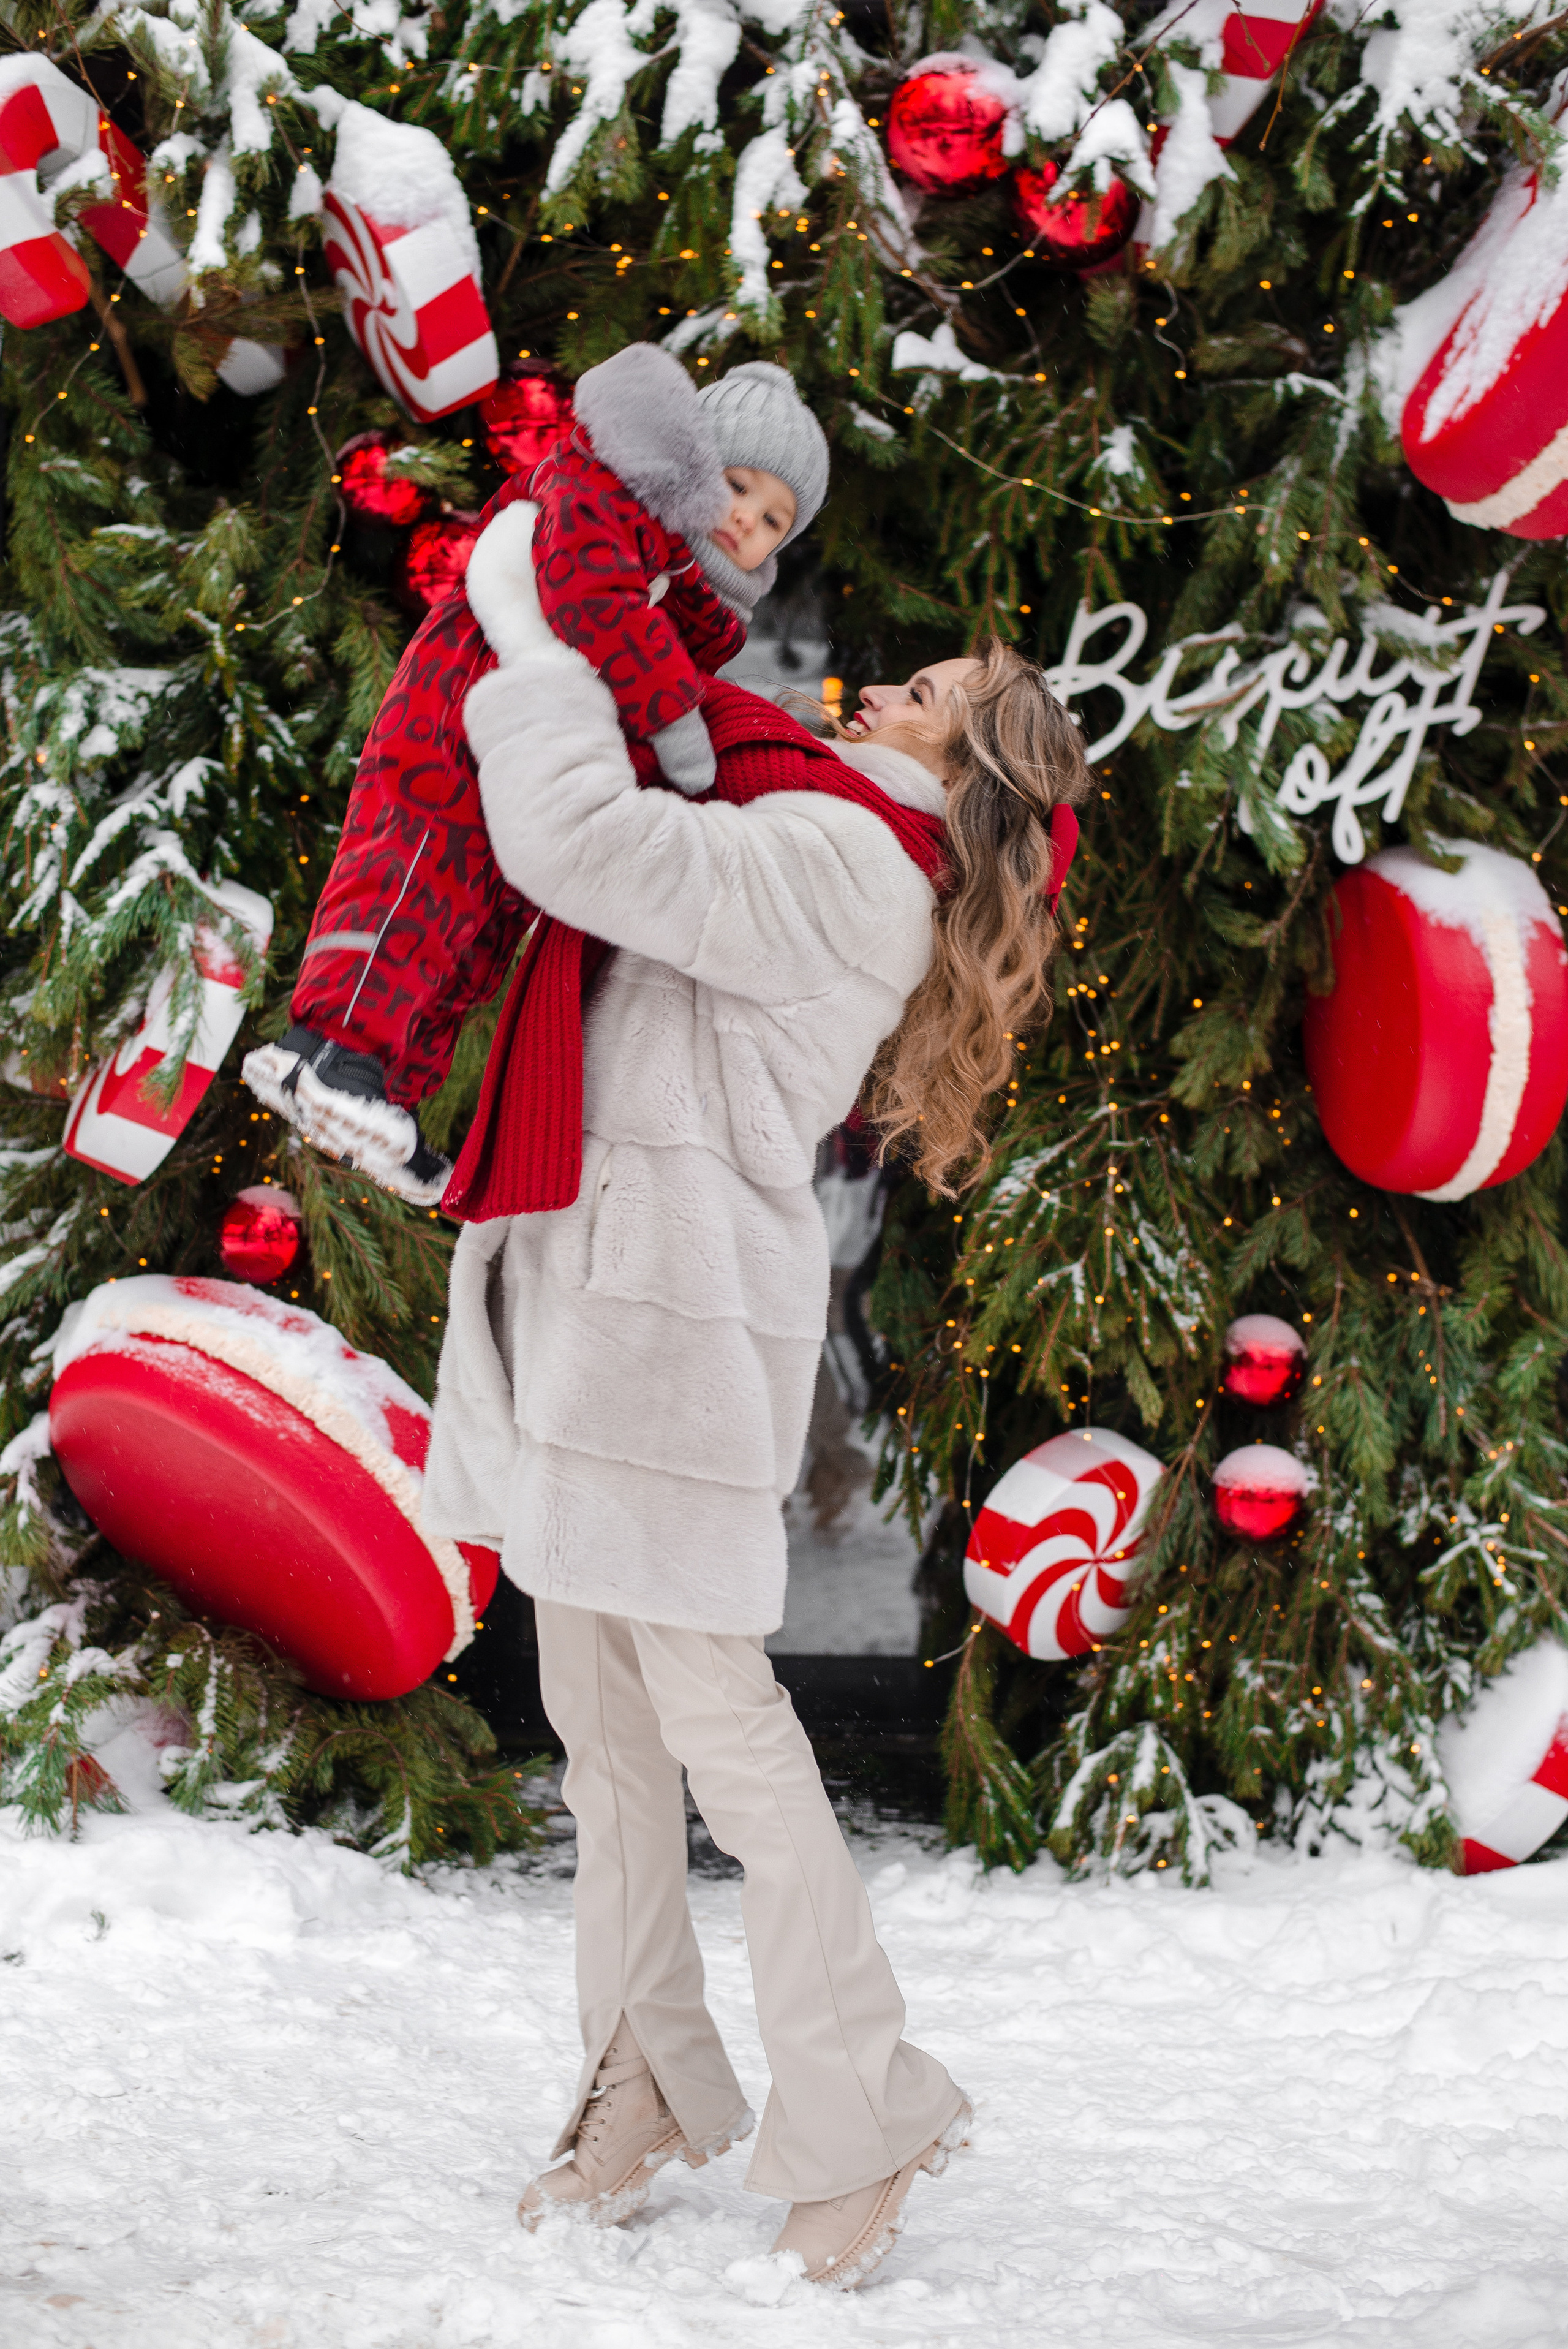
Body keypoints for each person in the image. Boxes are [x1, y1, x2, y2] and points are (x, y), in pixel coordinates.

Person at [421, 564, 1090, 2288]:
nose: (879, 696)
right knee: (601, 1708)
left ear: (970, 771)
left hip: (672, 1325)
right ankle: (640, 2067)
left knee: (715, 1718)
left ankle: (868, 2101)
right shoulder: (833, 826)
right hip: (608, 1294)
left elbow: (579, 843)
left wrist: (532, 624)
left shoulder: (852, 858)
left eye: (928, 697)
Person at [244, 347, 829, 1204]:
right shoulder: (609, 491)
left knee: (477, 932)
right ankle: (330, 1047)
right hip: (460, 711)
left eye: (776, 519)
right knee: (416, 875)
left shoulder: (699, 608)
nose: (749, 521)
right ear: (697, 460)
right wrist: (675, 719)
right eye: (741, 486)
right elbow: (590, 594)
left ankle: (386, 1094)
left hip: (530, 766)